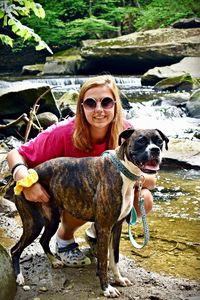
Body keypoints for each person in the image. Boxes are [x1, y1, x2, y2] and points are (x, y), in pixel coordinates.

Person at [7, 75, 156, 267]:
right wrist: (26, 181)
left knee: (144, 197)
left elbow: (150, 178)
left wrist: (139, 178)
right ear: (81, 107)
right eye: (91, 103)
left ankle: (96, 234)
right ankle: (64, 239)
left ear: (116, 105)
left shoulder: (127, 132)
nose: (99, 110)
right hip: (72, 196)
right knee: (85, 192)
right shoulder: (62, 132)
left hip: (104, 198)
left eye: (107, 102)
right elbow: (15, 154)